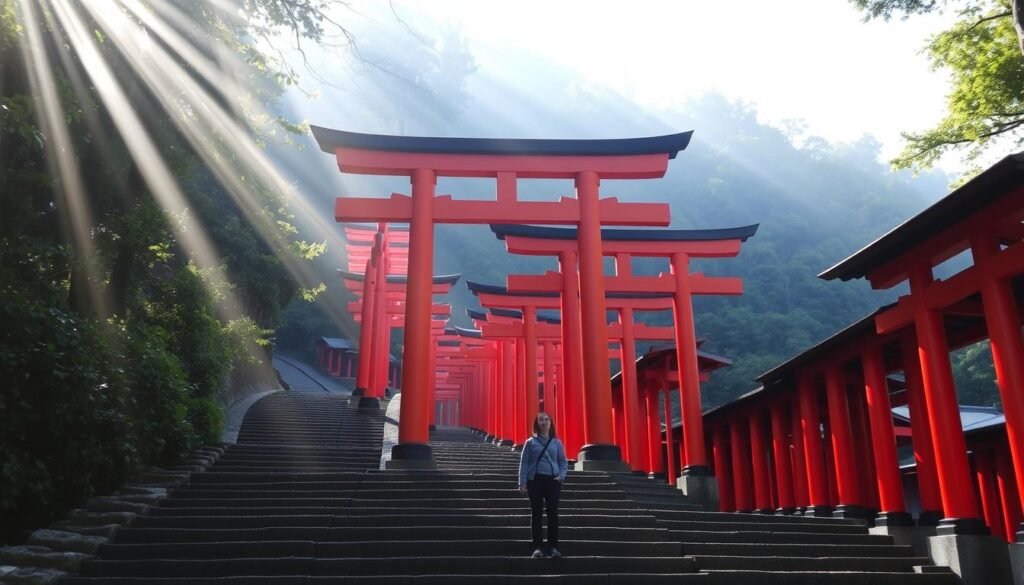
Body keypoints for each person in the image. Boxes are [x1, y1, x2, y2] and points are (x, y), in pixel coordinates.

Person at [518, 412, 568, 559]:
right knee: (537, 513)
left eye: (547, 420)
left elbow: (563, 461)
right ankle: (537, 547)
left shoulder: (557, 443)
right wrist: (522, 481)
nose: (544, 422)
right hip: (535, 480)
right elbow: (524, 462)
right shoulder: (530, 442)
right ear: (537, 424)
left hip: (553, 480)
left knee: (553, 513)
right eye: (541, 420)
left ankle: (553, 547)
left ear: (551, 424)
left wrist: (562, 476)